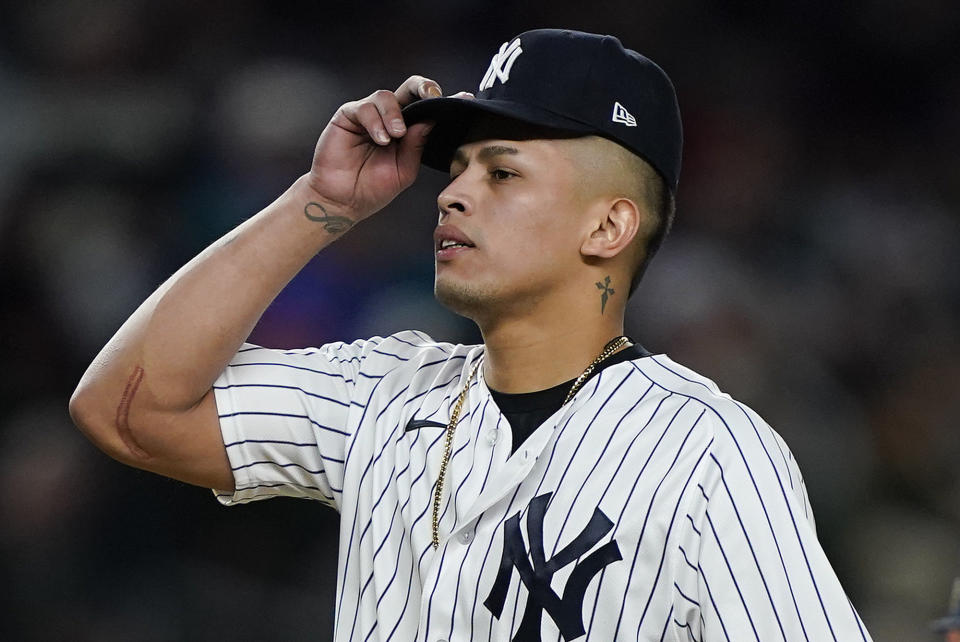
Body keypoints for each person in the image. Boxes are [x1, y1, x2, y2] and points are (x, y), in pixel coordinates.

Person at [70, 28, 873, 641]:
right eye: (453, 171)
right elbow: (126, 409)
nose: (453, 195)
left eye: (502, 171)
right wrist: (319, 203)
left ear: (609, 224)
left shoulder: (708, 452)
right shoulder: (383, 389)